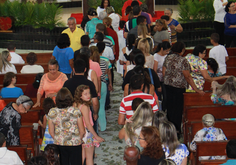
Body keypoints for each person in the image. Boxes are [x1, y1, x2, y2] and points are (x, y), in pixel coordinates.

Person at [163, 42, 204, 133]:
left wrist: (168, 80)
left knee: (170, 107)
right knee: (177, 109)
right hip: (178, 87)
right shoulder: (183, 60)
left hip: (167, 85)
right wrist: (196, 89)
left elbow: (164, 71)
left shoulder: (168, 57)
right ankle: (176, 129)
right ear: (182, 50)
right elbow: (188, 76)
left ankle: (169, 128)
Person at [48, 87, 85, 165]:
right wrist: (78, 139)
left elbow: (51, 131)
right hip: (75, 143)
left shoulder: (52, 111)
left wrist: (58, 139)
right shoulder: (75, 111)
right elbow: (82, 131)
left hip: (60, 143)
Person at [74, 85, 105, 165]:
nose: (88, 95)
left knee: (82, 157)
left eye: (89, 93)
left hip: (80, 132)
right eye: (85, 94)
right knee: (89, 158)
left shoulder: (76, 104)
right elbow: (88, 124)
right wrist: (96, 136)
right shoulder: (85, 107)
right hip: (87, 133)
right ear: (80, 95)